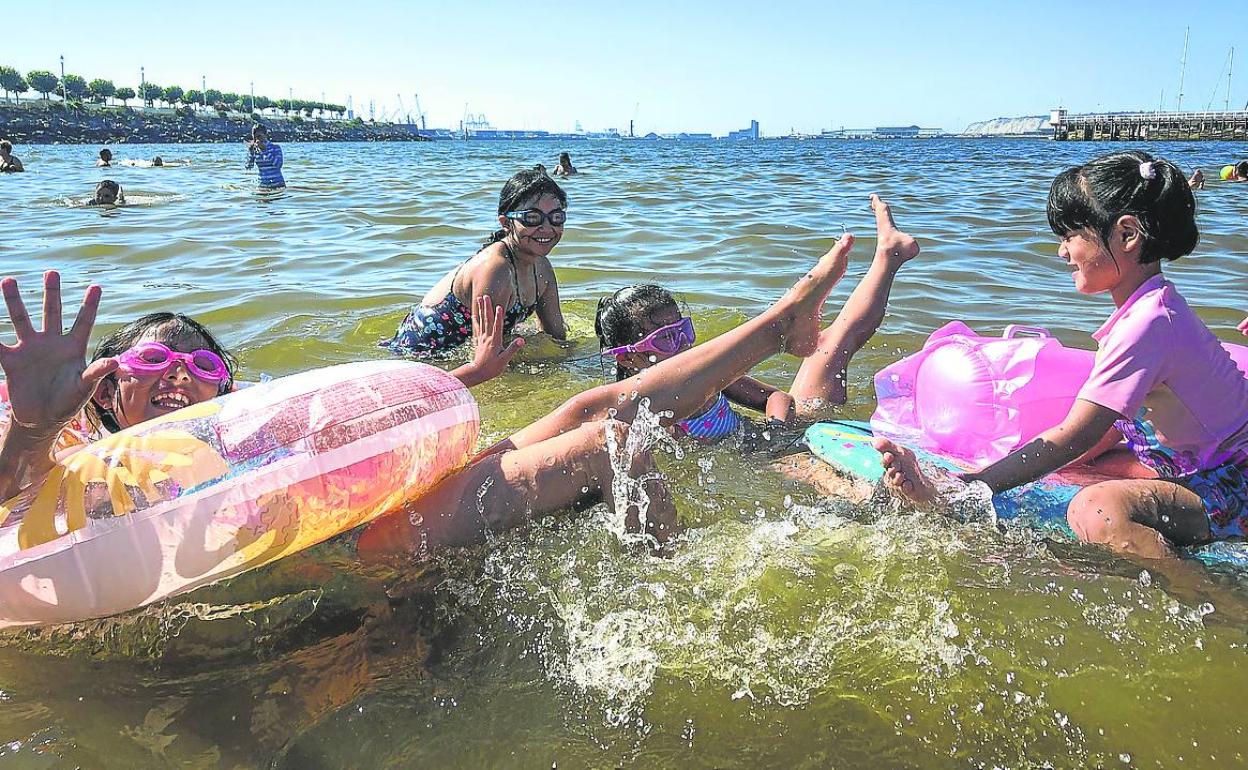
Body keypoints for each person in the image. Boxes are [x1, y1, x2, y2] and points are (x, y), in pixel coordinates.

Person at [4, 240, 852, 558]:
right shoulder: (64, 447)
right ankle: (672, 591)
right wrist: (32, 430)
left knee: (599, 416)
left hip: (364, 524)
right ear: (106, 384)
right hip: (358, 555)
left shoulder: (237, 434)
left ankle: (776, 327)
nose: (184, 378)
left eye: (204, 366)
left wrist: (477, 380)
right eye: (156, 364)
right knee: (601, 444)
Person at [875, 150, 1248, 561]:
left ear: (1127, 235)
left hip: (1236, 482)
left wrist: (973, 486)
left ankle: (1203, 598)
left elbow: (1078, 433)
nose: (1061, 252)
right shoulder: (1148, 311)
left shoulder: (1149, 323)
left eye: (1071, 235)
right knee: (1084, 464)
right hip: (1201, 464)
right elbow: (1108, 427)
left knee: (1096, 508)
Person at [594, 194, 917, 440]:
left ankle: (889, 255)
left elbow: (777, 397)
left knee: (832, 343)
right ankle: (890, 256)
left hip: (788, 431)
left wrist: (774, 431)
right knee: (834, 344)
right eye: (665, 338)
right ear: (628, 359)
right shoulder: (636, 417)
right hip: (770, 454)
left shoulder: (707, 378)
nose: (681, 345)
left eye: (683, 330)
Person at [385, 168, 569, 356]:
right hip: (421, 354)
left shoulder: (542, 267)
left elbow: (557, 337)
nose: (547, 228)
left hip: (464, 349)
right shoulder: (495, 269)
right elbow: (485, 358)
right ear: (506, 223)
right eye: (532, 218)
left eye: (556, 217)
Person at [246, 125, 285, 189]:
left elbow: (278, 165)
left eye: (259, 136)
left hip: (278, 185)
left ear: (265, 135)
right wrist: (251, 152)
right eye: (255, 137)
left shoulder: (275, 147)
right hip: (263, 186)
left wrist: (265, 151)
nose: (257, 139)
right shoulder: (255, 149)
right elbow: (248, 167)